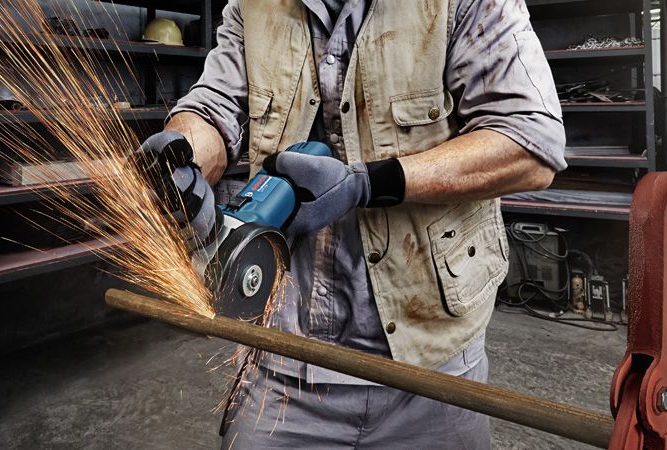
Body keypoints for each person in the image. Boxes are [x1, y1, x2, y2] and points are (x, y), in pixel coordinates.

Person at [140, 0, 566, 448]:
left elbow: (530, 142)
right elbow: (213, 106)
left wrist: (369, 183)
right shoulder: (254, 6)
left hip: (430, 364)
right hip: (284, 358)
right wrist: (183, 156)